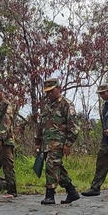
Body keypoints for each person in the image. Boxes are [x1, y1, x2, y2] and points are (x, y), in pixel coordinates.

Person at [34, 77, 80, 205]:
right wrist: (37, 142)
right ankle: (72, 192)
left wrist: (68, 144)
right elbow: (41, 125)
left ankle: (50, 195)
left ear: (58, 89)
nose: (48, 94)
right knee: (57, 167)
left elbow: (74, 127)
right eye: (47, 92)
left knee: (51, 166)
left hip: (59, 143)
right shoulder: (47, 106)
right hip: (46, 143)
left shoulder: (66, 104)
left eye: (51, 91)